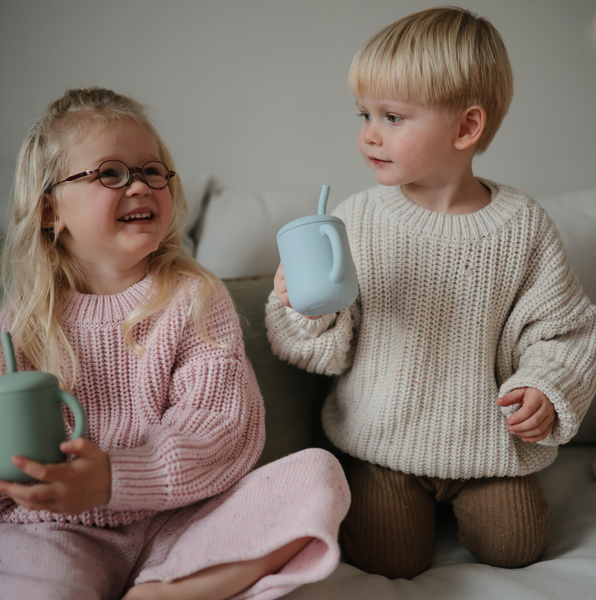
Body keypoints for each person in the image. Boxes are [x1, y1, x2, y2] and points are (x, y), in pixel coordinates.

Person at [266, 7, 596, 580]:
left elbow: (564, 330)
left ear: (466, 128)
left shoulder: (524, 226)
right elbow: (322, 351)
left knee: (517, 546)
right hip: (380, 440)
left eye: (393, 116)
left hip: (486, 446)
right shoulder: (357, 219)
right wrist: (302, 308)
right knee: (388, 558)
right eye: (365, 113)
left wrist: (545, 386)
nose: (369, 132)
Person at [0, 87, 350, 600]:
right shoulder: (20, 325)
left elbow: (222, 426)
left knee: (318, 475)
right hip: (59, 526)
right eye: (111, 173)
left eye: (152, 171)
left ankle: (161, 594)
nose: (139, 186)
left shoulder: (193, 297)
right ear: (51, 211)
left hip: (181, 523)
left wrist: (115, 477)